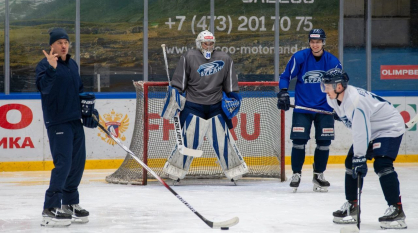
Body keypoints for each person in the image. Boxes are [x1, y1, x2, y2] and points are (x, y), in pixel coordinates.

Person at [321, 68, 407, 229]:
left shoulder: (355, 101)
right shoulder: (332, 98)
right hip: (372, 128)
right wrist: (342, 115)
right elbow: (358, 124)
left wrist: (360, 157)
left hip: (388, 127)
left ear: (339, 87)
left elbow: (361, 131)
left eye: (327, 85)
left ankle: (397, 209)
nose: (324, 89)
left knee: (382, 164)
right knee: (350, 163)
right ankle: (352, 205)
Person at [160, 30, 248, 184]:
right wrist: (175, 96)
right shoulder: (189, 57)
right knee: (187, 141)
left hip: (216, 106)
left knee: (224, 141)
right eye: (205, 43)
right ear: (198, 43)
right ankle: (175, 172)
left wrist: (233, 98)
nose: (208, 46)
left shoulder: (224, 58)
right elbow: (179, 84)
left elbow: (231, 86)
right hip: (193, 106)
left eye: (211, 43)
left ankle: (235, 171)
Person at [36, 28, 99, 227]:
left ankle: (70, 202)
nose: (64, 45)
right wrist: (52, 68)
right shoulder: (44, 65)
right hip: (57, 121)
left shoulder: (72, 64)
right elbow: (43, 88)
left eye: (66, 42)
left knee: (77, 164)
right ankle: (50, 207)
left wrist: (89, 112)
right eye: (59, 42)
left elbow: (78, 91)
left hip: (74, 121)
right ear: (51, 45)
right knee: (63, 164)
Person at [277, 29, 342, 192]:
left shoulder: (332, 62)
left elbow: (340, 85)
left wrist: (340, 104)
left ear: (323, 42)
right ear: (309, 42)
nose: (315, 45)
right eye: (312, 42)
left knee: (324, 143)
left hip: (325, 109)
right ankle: (296, 174)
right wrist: (283, 92)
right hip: (303, 109)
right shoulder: (300, 57)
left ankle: (318, 174)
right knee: (298, 142)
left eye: (318, 42)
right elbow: (285, 76)